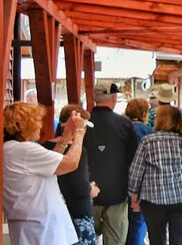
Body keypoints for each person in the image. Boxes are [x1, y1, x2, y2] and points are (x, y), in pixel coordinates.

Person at [3, 102, 87, 244]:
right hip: (43, 230)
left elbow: (52, 167)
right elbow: (70, 164)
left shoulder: (11, 149)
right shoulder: (24, 150)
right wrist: (79, 134)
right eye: (37, 122)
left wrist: (65, 137)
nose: (41, 126)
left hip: (33, 226)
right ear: (26, 125)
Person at [128, 106, 182, 245]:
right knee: (180, 241)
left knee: (157, 240)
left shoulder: (147, 142)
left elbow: (136, 173)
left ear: (159, 121)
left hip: (153, 200)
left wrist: (134, 198)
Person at [85, 85, 138, 245]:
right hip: (117, 193)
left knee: (86, 240)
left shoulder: (83, 124)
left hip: (86, 192)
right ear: (114, 99)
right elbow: (133, 159)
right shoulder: (124, 125)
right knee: (115, 241)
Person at [46, 105, 100, 245]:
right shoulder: (78, 152)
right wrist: (91, 190)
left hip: (52, 213)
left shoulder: (45, 147)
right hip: (77, 213)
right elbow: (79, 186)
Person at [125, 98, 153, 245]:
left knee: (123, 226)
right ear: (144, 113)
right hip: (142, 186)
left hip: (120, 183)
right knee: (138, 225)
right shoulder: (149, 132)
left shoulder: (121, 128)